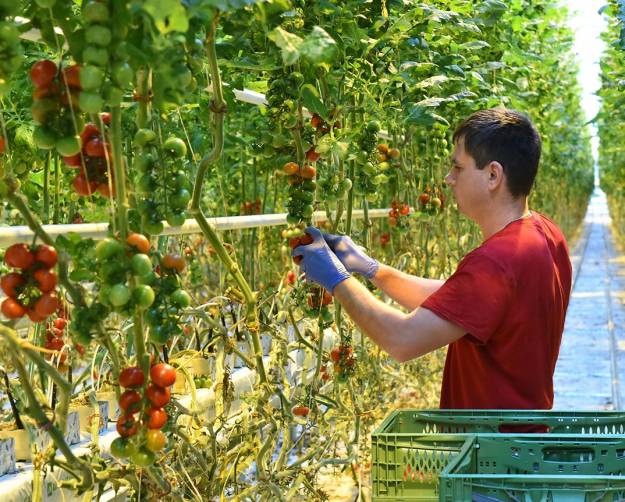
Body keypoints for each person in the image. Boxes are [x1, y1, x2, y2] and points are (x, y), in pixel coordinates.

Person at [292, 108, 572, 410]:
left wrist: (337, 280)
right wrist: (373, 270)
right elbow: (462, 302)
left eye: (458, 168)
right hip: (519, 438)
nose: (448, 179)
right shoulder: (544, 233)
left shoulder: (497, 261)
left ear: (493, 175)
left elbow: (402, 339)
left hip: (489, 447)